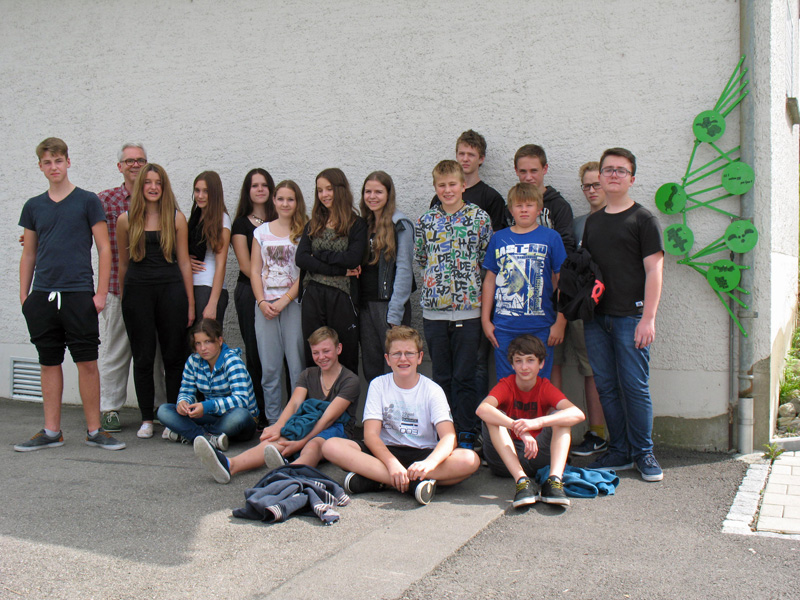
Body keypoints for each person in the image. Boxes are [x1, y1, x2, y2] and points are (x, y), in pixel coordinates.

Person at [16, 137, 125, 451]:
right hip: (43, 295)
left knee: (87, 362)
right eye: (47, 162)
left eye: (59, 161)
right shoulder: (33, 206)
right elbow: (29, 254)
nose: (54, 167)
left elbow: (104, 249)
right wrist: (25, 298)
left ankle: (95, 431)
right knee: (48, 363)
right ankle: (51, 432)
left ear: (68, 162)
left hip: (79, 294)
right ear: (40, 166)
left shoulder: (87, 201)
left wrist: (100, 294)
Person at [322, 326, 480, 505]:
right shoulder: (378, 385)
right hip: (384, 452)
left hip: (422, 454)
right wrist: (391, 464)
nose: (403, 359)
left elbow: (449, 437)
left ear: (419, 357)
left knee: (470, 459)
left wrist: (430, 463)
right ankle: (413, 484)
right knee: (331, 446)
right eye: (396, 354)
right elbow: (371, 435)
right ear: (387, 359)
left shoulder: (433, 390)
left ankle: (378, 479)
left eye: (409, 353)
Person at [581, 148, 665, 482]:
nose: (614, 175)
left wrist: (649, 318)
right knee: (606, 386)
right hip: (596, 319)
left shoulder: (643, 219)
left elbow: (655, 271)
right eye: (608, 169)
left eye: (621, 170)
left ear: (632, 178)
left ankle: (643, 452)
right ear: (600, 176)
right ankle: (619, 450)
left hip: (632, 318)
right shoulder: (593, 222)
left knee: (635, 387)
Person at [194, 326, 358, 484]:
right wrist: (278, 427)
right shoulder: (308, 374)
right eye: (315, 352)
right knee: (276, 439)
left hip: (337, 429)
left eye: (326, 351)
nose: (321, 357)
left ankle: (285, 476)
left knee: (313, 445)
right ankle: (230, 464)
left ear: (338, 349)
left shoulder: (350, 380)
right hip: (308, 422)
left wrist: (300, 443)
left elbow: (328, 419)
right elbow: (294, 404)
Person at [415, 160, 492, 450]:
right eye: (441, 185)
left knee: (465, 375)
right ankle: (443, 431)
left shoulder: (479, 218)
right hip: (435, 311)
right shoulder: (426, 221)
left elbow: (486, 258)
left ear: (463, 185)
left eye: (452, 184)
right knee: (441, 375)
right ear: (435, 187)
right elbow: (422, 258)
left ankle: (467, 431)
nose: (447, 190)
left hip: (469, 310)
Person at [117, 163, 195, 438]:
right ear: (140, 186)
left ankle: (172, 418)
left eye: (158, 182)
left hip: (171, 291)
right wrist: (125, 298)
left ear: (164, 187)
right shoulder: (126, 220)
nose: (153, 187)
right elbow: (123, 264)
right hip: (137, 292)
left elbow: (184, 262)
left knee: (174, 356)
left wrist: (190, 303)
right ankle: (147, 419)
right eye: (148, 182)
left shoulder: (176, 218)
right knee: (143, 357)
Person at [429, 130, 506, 407]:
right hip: (440, 305)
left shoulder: (489, 201)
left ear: (480, 159)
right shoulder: (433, 210)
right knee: (445, 372)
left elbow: (492, 252)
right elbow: (426, 256)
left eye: (470, 154)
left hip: (475, 299)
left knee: (475, 367)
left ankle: (474, 424)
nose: (465, 158)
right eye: (460, 153)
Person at [97, 143, 167, 433]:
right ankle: (110, 408)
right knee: (116, 350)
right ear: (120, 166)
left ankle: (159, 406)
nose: (135, 165)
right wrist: (38, 237)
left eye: (140, 160)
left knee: (155, 352)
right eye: (129, 161)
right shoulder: (106, 200)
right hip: (117, 287)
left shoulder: (160, 201)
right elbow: (77, 229)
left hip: (153, 291)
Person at [476, 334, 585, 508]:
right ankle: (521, 482)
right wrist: (519, 429)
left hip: (537, 456)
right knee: (493, 416)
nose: (524, 367)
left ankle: (554, 481)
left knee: (562, 417)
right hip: (505, 460)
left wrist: (538, 422)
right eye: (518, 361)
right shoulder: (506, 384)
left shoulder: (544, 386)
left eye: (530, 360)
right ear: (512, 365)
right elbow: (482, 409)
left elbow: (578, 414)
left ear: (541, 364)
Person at [550, 161, 608, 457]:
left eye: (597, 184)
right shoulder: (577, 224)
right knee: (555, 363)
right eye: (586, 185)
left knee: (593, 370)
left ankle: (598, 433)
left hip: (601, 310)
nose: (592, 190)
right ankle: (553, 432)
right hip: (571, 305)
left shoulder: (621, 219)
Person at [482, 182, 567, 382]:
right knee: (507, 383)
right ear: (511, 210)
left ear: (539, 209)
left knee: (539, 382)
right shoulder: (499, 238)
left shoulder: (551, 237)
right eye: (519, 205)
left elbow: (563, 281)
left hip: (541, 325)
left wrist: (560, 322)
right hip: (504, 326)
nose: (524, 210)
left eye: (529, 205)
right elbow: (490, 280)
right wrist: (486, 320)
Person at [295, 168, 367, 377]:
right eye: (320, 190)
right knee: (315, 355)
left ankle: (345, 398)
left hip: (342, 296)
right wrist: (340, 270)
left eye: (329, 189)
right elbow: (301, 259)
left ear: (340, 189)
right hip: (313, 294)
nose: (324, 194)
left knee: (345, 353)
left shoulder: (356, 224)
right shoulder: (313, 224)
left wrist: (318, 255)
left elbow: (353, 258)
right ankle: (315, 398)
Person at [251, 180, 308, 425]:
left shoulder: (304, 231)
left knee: (296, 366)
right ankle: (273, 421)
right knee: (270, 367)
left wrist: (285, 300)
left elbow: (305, 272)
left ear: (297, 202)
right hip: (265, 306)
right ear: (273, 201)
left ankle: (296, 422)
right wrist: (261, 302)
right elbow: (255, 271)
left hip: (293, 305)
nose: (285, 204)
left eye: (290, 199)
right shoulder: (261, 232)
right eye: (281, 198)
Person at [157, 318, 258, 448]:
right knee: (164, 410)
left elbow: (241, 400)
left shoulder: (232, 361)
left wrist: (207, 406)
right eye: (198, 343)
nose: (203, 348)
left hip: (238, 420)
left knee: (240, 415)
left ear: (219, 341)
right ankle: (208, 438)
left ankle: (191, 435)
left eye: (208, 342)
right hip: (211, 417)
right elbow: (186, 390)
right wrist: (183, 403)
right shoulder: (193, 361)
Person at [358, 171, 415, 383]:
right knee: (371, 367)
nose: (372, 196)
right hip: (366, 306)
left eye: (378, 192)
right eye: (368, 191)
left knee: (394, 368)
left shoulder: (400, 224)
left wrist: (395, 313)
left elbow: (404, 269)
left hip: (389, 306)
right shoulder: (362, 225)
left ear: (389, 194)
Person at [231, 168, 275, 428]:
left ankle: (283, 410)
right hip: (250, 292)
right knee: (256, 352)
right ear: (247, 191)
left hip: (281, 295)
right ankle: (260, 412)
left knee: (281, 353)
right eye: (254, 185)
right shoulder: (240, 224)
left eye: (264, 185)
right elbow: (246, 266)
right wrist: (270, 285)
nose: (260, 189)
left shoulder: (280, 218)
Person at [513, 144, 576, 253]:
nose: (528, 177)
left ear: (544, 169)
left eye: (534, 171)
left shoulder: (560, 206)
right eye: (523, 171)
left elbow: (566, 246)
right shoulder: (511, 207)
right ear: (516, 171)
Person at [188, 171, 231, 324]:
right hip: (192, 285)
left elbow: (221, 264)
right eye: (197, 190)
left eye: (206, 191)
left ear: (215, 193)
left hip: (208, 288)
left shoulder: (222, 219)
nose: (200, 196)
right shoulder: (196, 217)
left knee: (206, 336)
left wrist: (213, 303)